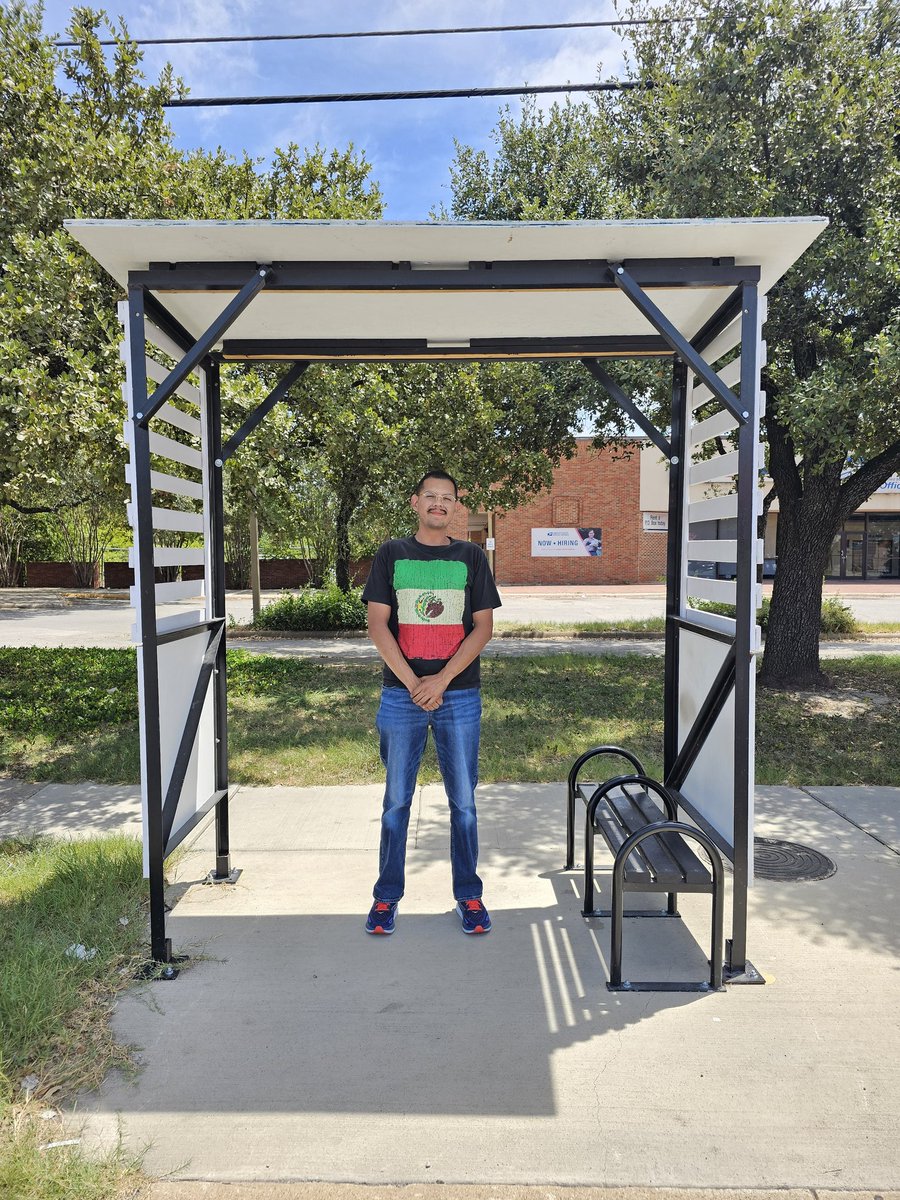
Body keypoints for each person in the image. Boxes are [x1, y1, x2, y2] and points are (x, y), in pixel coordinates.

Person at [361, 470, 502, 936]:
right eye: (431, 497)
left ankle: (469, 895)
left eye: (448, 498)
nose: (439, 504)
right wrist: (416, 684)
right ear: (415, 502)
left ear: (455, 506)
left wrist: (440, 680)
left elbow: (482, 627)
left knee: (463, 802)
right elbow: (378, 626)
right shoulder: (391, 554)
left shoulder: (472, 557)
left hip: (459, 695)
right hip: (401, 696)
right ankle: (386, 898)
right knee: (396, 801)